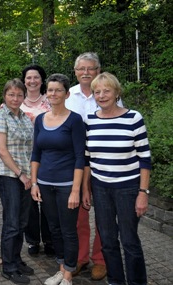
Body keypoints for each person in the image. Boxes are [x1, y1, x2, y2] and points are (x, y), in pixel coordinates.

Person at [83, 72, 150, 285]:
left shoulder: (133, 118)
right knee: (108, 241)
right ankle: (115, 281)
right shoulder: (90, 120)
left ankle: (137, 282)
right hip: (100, 188)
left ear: (116, 92)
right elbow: (87, 159)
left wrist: (143, 193)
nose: (102, 95)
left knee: (129, 240)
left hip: (128, 189)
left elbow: (145, 159)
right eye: (97, 92)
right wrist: (86, 189)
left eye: (106, 90)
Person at [65, 52, 121, 280]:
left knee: (104, 216)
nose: (86, 72)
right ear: (76, 71)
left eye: (91, 68)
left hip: (102, 163)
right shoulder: (69, 96)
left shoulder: (108, 94)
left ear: (98, 70)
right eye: (82, 69)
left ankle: (100, 259)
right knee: (78, 213)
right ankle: (80, 258)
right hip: (76, 162)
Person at [31, 74, 86, 285]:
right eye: (50, 90)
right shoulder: (40, 120)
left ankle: (68, 275)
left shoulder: (74, 120)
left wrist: (75, 190)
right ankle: (62, 268)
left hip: (67, 185)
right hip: (45, 184)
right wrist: (34, 183)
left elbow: (80, 156)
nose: (53, 94)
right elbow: (36, 154)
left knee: (68, 230)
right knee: (54, 229)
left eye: (58, 90)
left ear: (66, 94)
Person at [0, 78, 34, 284]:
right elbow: (1, 150)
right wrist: (20, 174)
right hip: (9, 176)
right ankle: (8, 266)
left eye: (19, 95)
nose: (15, 98)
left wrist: (31, 176)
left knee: (22, 222)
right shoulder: (0, 117)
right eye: (11, 94)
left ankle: (16, 260)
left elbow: (30, 149)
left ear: (23, 96)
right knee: (11, 222)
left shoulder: (25, 118)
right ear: (4, 96)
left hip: (26, 176)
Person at [19, 65, 54, 257]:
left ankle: (50, 240)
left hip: (47, 158)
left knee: (48, 201)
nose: (32, 81)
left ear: (42, 80)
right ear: (24, 81)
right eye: (28, 77)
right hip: (24, 160)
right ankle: (32, 240)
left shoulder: (51, 101)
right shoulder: (15, 101)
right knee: (29, 204)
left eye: (36, 77)